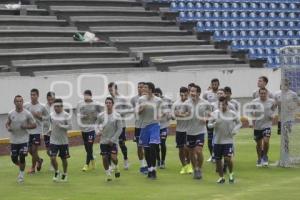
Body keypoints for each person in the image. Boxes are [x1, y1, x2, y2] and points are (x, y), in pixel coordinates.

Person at [208, 97, 241, 184]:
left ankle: (231, 174)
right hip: (217, 141)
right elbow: (209, 125)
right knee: (218, 160)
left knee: (227, 158)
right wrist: (214, 124)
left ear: (227, 104)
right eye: (221, 104)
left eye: (224, 104)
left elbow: (239, 123)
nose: (222, 106)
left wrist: (235, 130)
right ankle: (221, 177)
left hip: (228, 140)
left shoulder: (232, 113)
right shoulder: (215, 114)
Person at [6, 95, 37, 183]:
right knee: (14, 158)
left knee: (22, 156)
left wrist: (26, 126)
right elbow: (7, 123)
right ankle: (21, 166)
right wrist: (8, 128)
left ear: (22, 102)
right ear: (14, 102)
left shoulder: (27, 113)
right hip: (14, 140)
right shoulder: (11, 113)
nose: (19, 103)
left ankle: (21, 175)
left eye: (20, 101)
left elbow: (34, 125)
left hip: (24, 139)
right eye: (17, 101)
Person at [185, 84, 211, 179]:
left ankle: (199, 168)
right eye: (191, 91)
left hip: (200, 131)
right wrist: (184, 114)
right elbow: (182, 115)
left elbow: (211, 114)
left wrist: (206, 118)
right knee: (191, 152)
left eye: (194, 91)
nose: (192, 93)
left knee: (198, 151)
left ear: (199, 93)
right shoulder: (186, 103)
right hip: (189, 131)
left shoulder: (205, 103)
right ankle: (195, 169)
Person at [138, 82, 162, 179]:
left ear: (150, 89)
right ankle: (150, 169)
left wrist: (160, 116)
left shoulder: (158, 100)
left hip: (154, 125)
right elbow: (138, 113)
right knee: (147, 150)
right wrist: (142, 109)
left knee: (153, 146)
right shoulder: (141, 99)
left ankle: (154, 170)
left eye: (145, 87)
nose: (143, 89)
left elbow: (159, 112)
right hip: (144, 126)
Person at [96, 97, 122, 182]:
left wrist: (113, 139)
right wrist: (98, 132)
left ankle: (116, 167)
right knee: (104, 158)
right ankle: (108, 174)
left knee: (113, 157)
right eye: (106, 103)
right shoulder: (101, 115)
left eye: (109, 103)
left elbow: (119, 129)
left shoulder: (117, 116)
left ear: (112, 104)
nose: (108, 104)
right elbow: (96, 125)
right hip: (103, 141)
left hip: (113, 141)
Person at [77, 90, 103, 172]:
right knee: (87, 147)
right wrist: (81, 116)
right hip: (84, 128)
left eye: (87, 95)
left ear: (91, 96)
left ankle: (86, 165)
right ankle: (92, 158)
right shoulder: (80, 104)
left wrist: (97, 118)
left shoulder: (96, 104)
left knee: (89, 145)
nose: (85, 97)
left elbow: (102, 113)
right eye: (84, 95)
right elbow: (78, 114)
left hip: (92, 128)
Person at [24, 89, 49, 174]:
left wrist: (39, 116)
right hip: (28, 131)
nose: (32, 96)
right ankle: (39, 160)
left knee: (34, 150)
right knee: (30, 150)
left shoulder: (42, 106)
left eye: (34, 95)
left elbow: (47, 118)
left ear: (38, 96)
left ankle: (32, 168)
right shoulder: (26, 105)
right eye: (31, 95)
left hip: (37, 131)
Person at [108, 82, 131, 170]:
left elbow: (129, 109)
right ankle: (112, 164)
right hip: (111, 125)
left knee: (121, 143)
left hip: (121, 124)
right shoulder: (109, 99)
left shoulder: (122, 98)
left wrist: (120, 114)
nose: (110, 92)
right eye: (109, 90)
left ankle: (125, 159)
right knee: (111, 144)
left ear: (116, 89)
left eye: (112, 90)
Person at [251, 88, 276, 167]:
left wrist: (272, 115)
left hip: (267, 125)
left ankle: (265, 156)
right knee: (258, 144)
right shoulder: (254, 102)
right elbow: (251, 112)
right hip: (258, 126)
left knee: (266, 141)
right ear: (259, 94)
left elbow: (273, 109)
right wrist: (253, 121)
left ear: (267, 93)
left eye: (264, 93)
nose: (263, 95)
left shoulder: (271, 101)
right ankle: (259, 158)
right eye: (261, 93)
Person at [50, 98, 72, 182]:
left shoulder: (66, 115)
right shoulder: (51, 115)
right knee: (52, 158)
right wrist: (50, 130)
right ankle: (56, 172)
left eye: (58, 106)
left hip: (63, 141)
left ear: (62, 106)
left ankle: (65, 173)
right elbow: (50, 124)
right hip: (53, 140)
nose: (56, 108)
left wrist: (61, 126)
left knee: (64, 159)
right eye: (55, 106)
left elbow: (70, 126)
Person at [173, 87, 193, 174]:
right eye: (181, 94)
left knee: (187, 148)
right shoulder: (176, 103)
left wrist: (181, 115)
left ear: (188, 94)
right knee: (181, 149)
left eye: (185, 94)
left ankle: (189, 165)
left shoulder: (190, 103)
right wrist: (183, 114)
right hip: (179, 130)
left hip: (188, 130)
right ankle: (184, 166)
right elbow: (174, 116)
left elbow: (190, 114)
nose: (183, 96)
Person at [130, 82, 148, 174]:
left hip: (148, 125)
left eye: (141, 87)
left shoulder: (149, 98)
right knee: (139, 146)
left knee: (148, 147)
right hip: (138, 126)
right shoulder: (134, 99)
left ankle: (149, 164)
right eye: (138, 87)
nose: (139, 89)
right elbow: (135, 112)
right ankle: (142, 165)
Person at [154, 88, 173, 169]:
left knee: (162, 143)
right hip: (155, 126)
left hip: (164, 125)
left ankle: (163, 161)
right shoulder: (153, 101)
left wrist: (170, 115)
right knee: (156, 144)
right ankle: (158, 160)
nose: (156, 96)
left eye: (157, 95)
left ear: (160, 94)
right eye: (155, 95)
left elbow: (170, 109)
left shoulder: (166, 100)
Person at [203, 78, 220, 162]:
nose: (214, 86)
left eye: (216, 84)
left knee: (218, 137)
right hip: (209, 118)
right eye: (213, 84)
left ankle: (218, 154)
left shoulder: (221, 93)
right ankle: (212, 155)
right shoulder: (207, 94)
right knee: (210, 138)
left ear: (218, 84)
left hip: (219, 119)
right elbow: (203, 105)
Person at [43, 91, 55, 171]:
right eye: (49, 99)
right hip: (46, 131)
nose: (50, 101)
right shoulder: (44, 107)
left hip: (54, 131)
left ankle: (52, 164)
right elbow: (43, 118)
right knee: (48, 150)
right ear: (47, 99)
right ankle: (53, 161)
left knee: (52, 149)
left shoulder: (56, 107)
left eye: (52, 99)